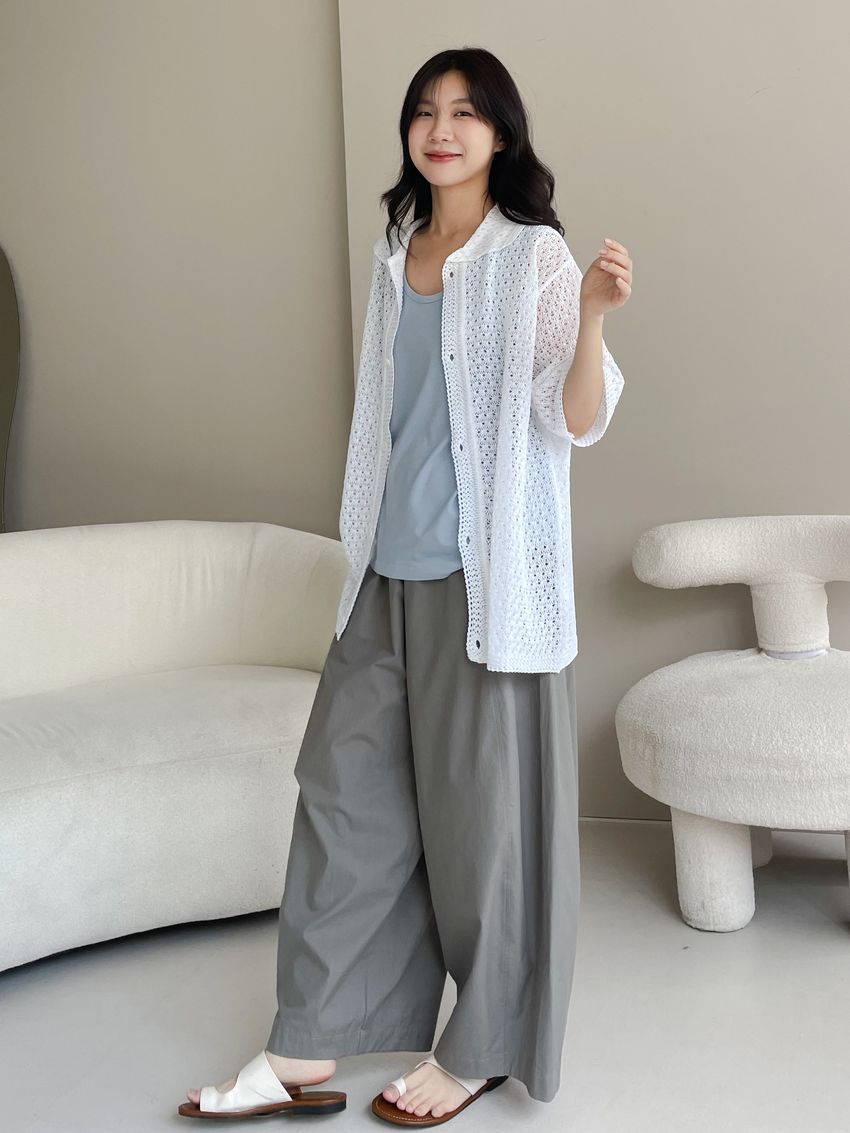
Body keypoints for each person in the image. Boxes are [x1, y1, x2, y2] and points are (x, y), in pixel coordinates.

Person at [181, 44, 632, 1125]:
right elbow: (389, 425)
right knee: (343, 803)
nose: (441, 129)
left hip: (485, 593)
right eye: (425, 111)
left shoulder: (533, 258)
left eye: (465, 113)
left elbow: (573, 419)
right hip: (381, 575)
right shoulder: (399, 250)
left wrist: (595, 316)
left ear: (500, 133)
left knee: (484, 831)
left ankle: (480, 1046)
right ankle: (304, 1042)